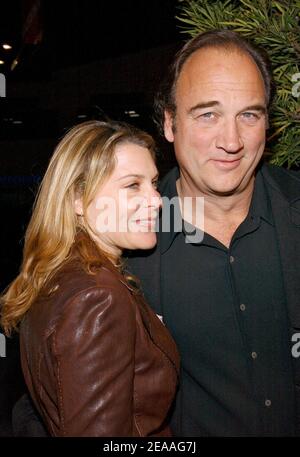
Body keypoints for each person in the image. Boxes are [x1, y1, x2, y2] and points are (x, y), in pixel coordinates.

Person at [127, 29, 300, 436]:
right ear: (169, 123)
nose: (231, 141)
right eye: (208, 114)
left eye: (249, 115)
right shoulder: (120, 247)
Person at [0, 120, 179, 437]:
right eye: (132, 185)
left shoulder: (61, 276)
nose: (156, 200)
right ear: (77, 199)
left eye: (153, 182)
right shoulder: (96, 297)